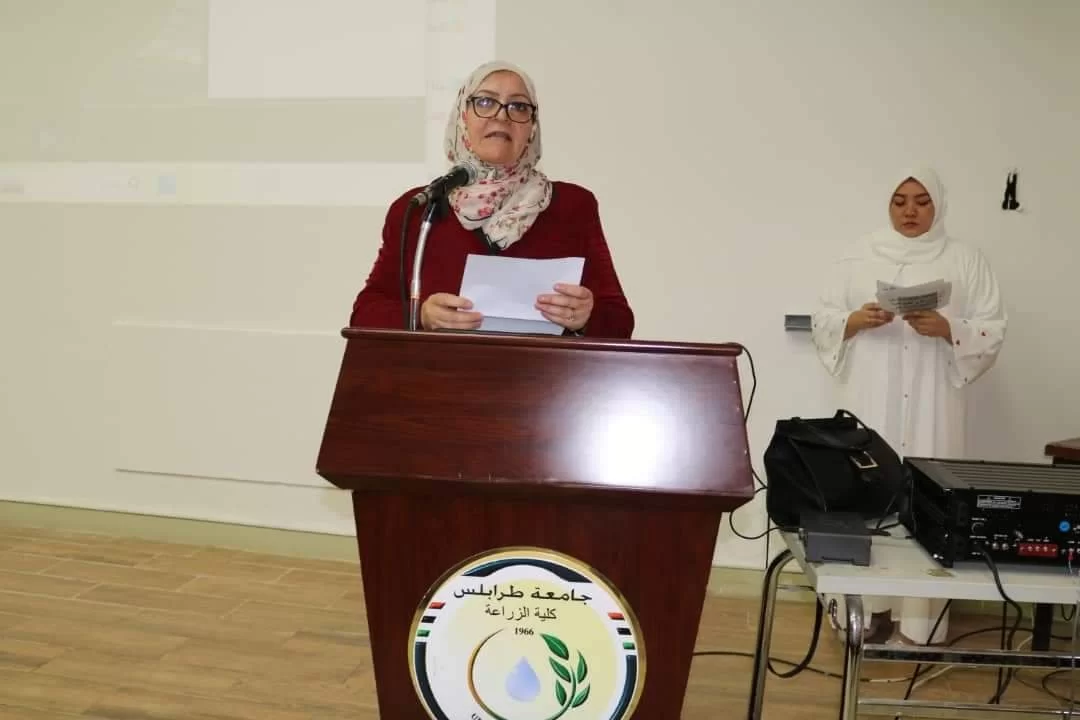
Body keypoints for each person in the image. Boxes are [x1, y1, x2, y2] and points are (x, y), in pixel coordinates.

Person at [811, 167, 1007, 645]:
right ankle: (864, 617)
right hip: (870, 396)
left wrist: (949, 328)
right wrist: (855, 320)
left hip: (932, 402)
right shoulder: (857, 255)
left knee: (928, 500)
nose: (910, 211)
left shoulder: (966, 259)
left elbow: (993, 326)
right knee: (867, 493)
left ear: (938, 205)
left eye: (921, 201)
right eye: (900, 201)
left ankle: (920, 624)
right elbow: (823, 317)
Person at [349, 60, 634, 338]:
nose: (502, 116)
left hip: (542, 370)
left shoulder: (573, 206)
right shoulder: (421, 207)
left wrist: (586, 317)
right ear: (463, 117)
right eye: (485, 102)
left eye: (518, 106)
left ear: (532, 127)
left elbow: (619, 320)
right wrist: (421, 316)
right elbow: (365, 313)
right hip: (441, 370)